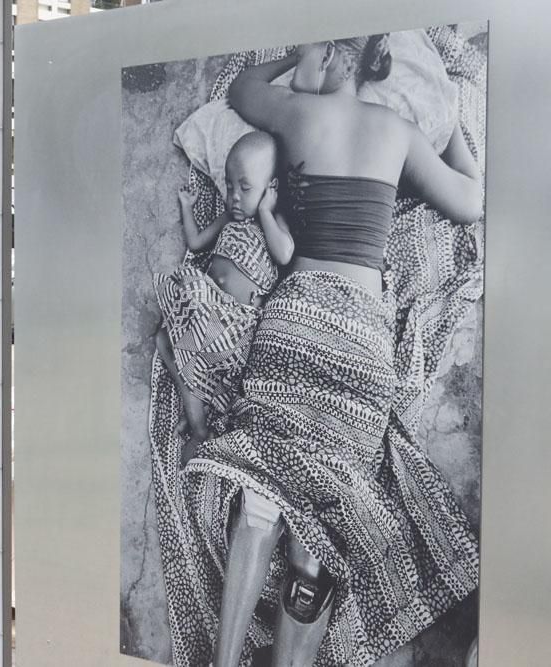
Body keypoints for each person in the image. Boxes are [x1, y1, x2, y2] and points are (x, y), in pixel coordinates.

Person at [187, 34, 483, 667]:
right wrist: (450, 120)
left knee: (262, 498)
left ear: (341, 60)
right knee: (319, 526)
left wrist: (289, 64)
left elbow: (241, 91)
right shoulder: (398, 129)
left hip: (298, 319)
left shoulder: (299, 113)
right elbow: (469, 201)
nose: (303, 67)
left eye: (316, 55)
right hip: (360, 339)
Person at [154, 131, 293, 466]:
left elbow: (285, 254)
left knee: (186, 310)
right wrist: (188, 208)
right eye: (229, 185)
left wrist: (265, 212)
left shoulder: (273, 222)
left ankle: (199, 417)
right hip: (206, 311)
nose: (233, 196)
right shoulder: (229, 218)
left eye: (245, 188)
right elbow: (197, 242)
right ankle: (196, 409)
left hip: (234, 324)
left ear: (270, 187)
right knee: (163, 338)